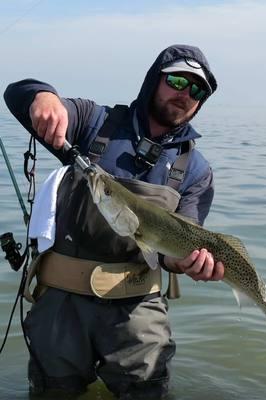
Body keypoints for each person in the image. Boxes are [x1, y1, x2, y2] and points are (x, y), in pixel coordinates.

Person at [4, 44, 224, 399]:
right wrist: (42, 97)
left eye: (198, 90)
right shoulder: (94, 122)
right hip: (61, 303)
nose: (186, 94)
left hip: (137, 308)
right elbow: (16, 94)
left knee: (147, 391)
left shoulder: (196, 171)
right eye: (178, 81)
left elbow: (172, 254)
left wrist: (188, 263)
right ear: (155, 79)